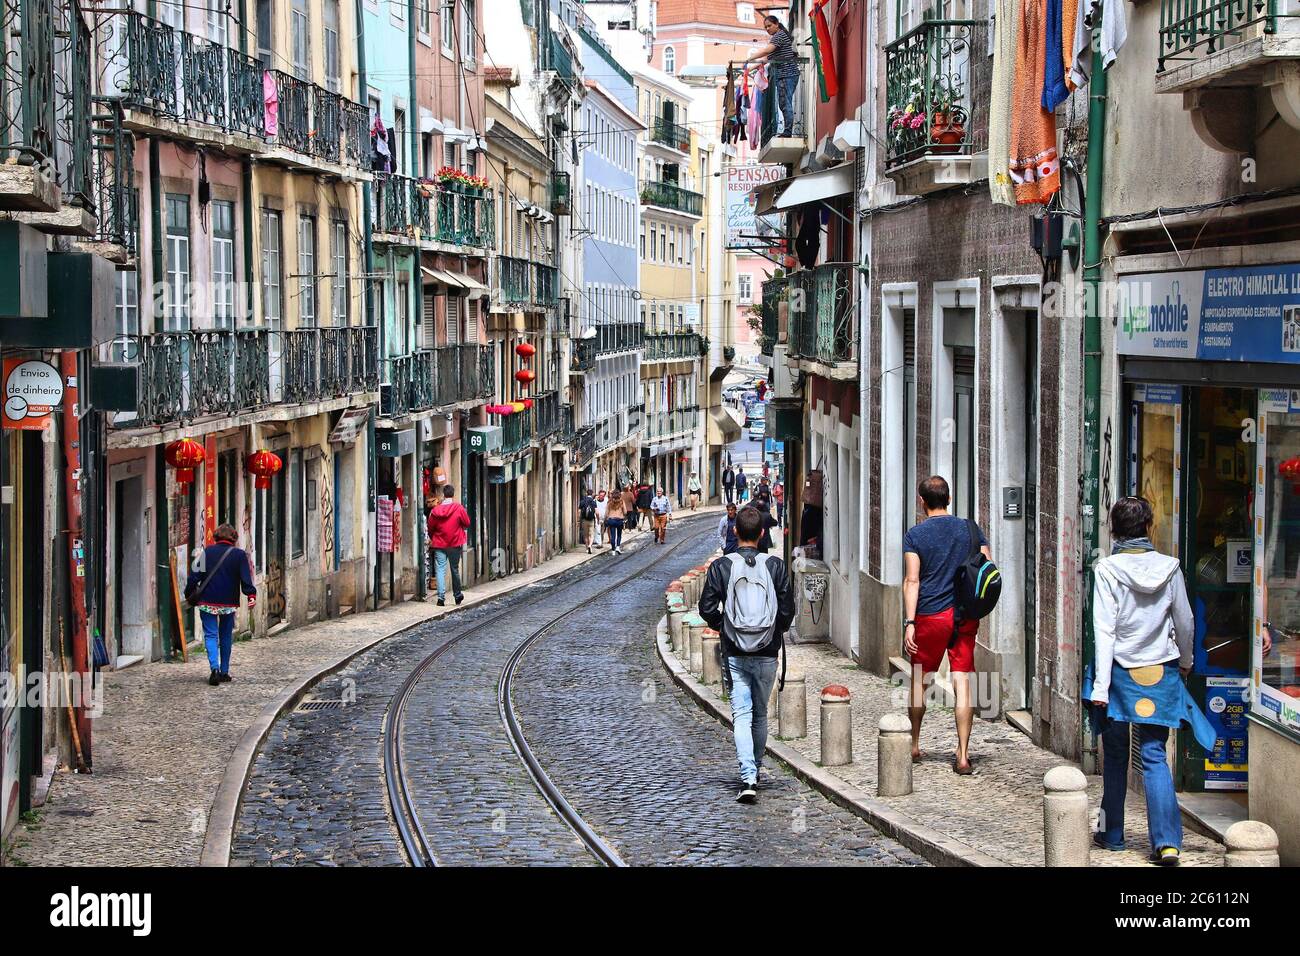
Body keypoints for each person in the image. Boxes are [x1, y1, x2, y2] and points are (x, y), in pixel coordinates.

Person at [1088, 495, 1215, 867]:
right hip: (1160, 671)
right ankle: (1168, 844)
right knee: (1154, 756)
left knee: (1114, 754)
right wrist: (1187, 662)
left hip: (1117, 674)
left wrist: (1099, 686)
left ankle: (1112, 833)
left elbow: (1104, 630)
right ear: (1148, 526)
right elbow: (1186, 621)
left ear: (1114, 529)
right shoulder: (1171, 568)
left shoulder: (1108, 570)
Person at [699, 507, 796, 803]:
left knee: (741, 714)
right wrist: (772, 632)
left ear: (735, 532)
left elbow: (706, 608)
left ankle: (748, 776)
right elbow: (787, 611)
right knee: (761, 713)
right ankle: (756, 768)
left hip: (735, 652)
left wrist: (725, 627)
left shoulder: (721, 567)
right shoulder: (776, 566)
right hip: (767, 652)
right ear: (763, 534)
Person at [902, 476, 990, 775]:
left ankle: (914, 744)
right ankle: (963, 755)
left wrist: (910, 622)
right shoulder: (970, 529)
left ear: (922, 501)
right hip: (964, 616)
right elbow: (986, 566)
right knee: (962, 682)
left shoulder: (915, 535)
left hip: (929, 615)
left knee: (918, 680)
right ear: (949, 499)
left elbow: (912, 580)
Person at [186, 524, 256, 686]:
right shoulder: (239, 555)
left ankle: (214, 669)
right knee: (225, 636)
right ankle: (224, 672)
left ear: (216, 537)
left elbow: (194, 577)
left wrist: (189, 593)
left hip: (208, 601)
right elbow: (246, 578)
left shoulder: (206, 552)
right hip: (228, 602)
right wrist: (251, 595)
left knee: (210, 635)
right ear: (234, 538)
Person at [748, 15, 800, 137]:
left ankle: (787, 132)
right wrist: (750, 68)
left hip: (787, 74)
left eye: (769, 26)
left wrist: (749, 58)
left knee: (785, 103)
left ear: (777, 24)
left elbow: (766, 51)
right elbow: (766, 59)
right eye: (765, 27)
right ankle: (787, 131)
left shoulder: (779, 35)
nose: (767, 29)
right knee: (783, 103)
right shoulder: (779, 37)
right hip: (786, 75)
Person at [427, 484, 470, 607]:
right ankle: (457, 596)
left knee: (440, 569)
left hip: (440, 543)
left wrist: (433, 537)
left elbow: (430, 527)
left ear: (443, 495)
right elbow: (467, 523)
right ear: (453, 494)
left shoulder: (435, 510)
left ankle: (441, 598)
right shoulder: (458, 508)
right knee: (454, 569)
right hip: (455, 543)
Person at [605, 484, 628, 554]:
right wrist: (622, 514)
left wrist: (606, 518)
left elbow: (606, 513)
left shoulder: (609, 502)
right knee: (619, 534)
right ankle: (618, 547)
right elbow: (625, 511)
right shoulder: (621, 501)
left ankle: (613, 550)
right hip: (619, 520)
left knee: (612, 535)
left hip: (611, 520)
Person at [578, 488, 599, 554]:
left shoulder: (582, 501)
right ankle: (590, 545)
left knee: (586, 535)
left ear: (586, 493)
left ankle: (587, 548)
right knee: (591, 534)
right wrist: (598, 519)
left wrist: (578, 520)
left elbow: (579, 512)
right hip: (591, 520)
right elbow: (597, 512)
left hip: (584, 520)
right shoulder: (593, 502)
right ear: (592, 494)